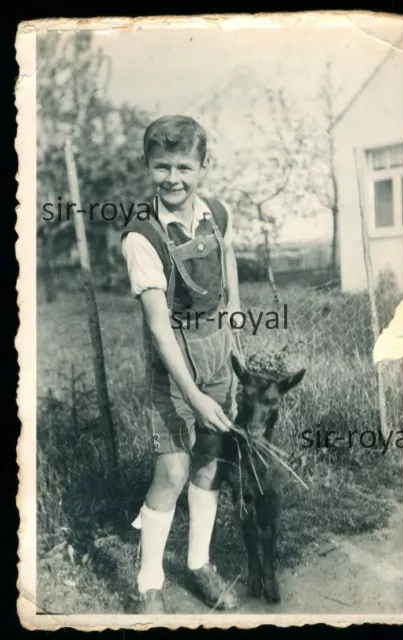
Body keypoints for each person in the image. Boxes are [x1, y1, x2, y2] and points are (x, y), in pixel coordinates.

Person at [121, 114, 244, 613]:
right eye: (162, 167)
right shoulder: (141, 237)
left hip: (218, 355)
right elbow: (157, 326)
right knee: (172, 472)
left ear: (203, 167)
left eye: (184, 167)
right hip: (173, 367)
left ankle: (199, 565)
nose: (173, 178)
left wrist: (234, 322)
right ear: (148, 166)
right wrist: (192, 395)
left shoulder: (216, 212)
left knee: (210, 463)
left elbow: (228, 258)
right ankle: (149, 581)